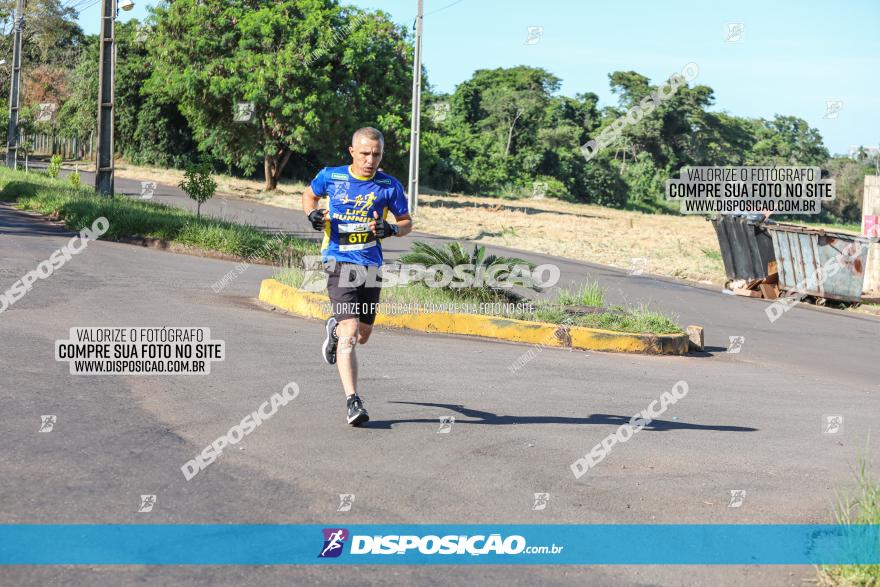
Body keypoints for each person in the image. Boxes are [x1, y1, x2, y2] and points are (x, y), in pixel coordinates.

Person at [301, 127, 412, 426]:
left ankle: (334, 330)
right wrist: (311, 214)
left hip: (371, 266)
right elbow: (308, 196)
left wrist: (391, 229)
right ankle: (353, 401)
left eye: (376, 154)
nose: (370, 160)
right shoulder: (332, 177)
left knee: (363, 335)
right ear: (351, 151)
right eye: (364, 153)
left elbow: (406, 222)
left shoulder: (389, 186)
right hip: (338, 261)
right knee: (350, 332)